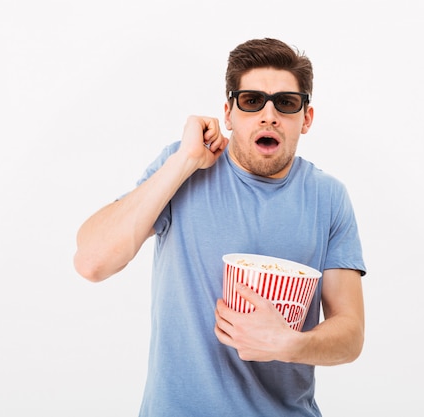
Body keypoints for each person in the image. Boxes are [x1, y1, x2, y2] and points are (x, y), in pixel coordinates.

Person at [74, 38, 366, 417]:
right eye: (251, 101)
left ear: (305, 118)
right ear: (228, 113)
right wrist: (183, 162)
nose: (268, 115)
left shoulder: (328, 197)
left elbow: (351, 335)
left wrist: (288, 343)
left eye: (286, 103)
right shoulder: (181, 169)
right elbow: (92, 262)